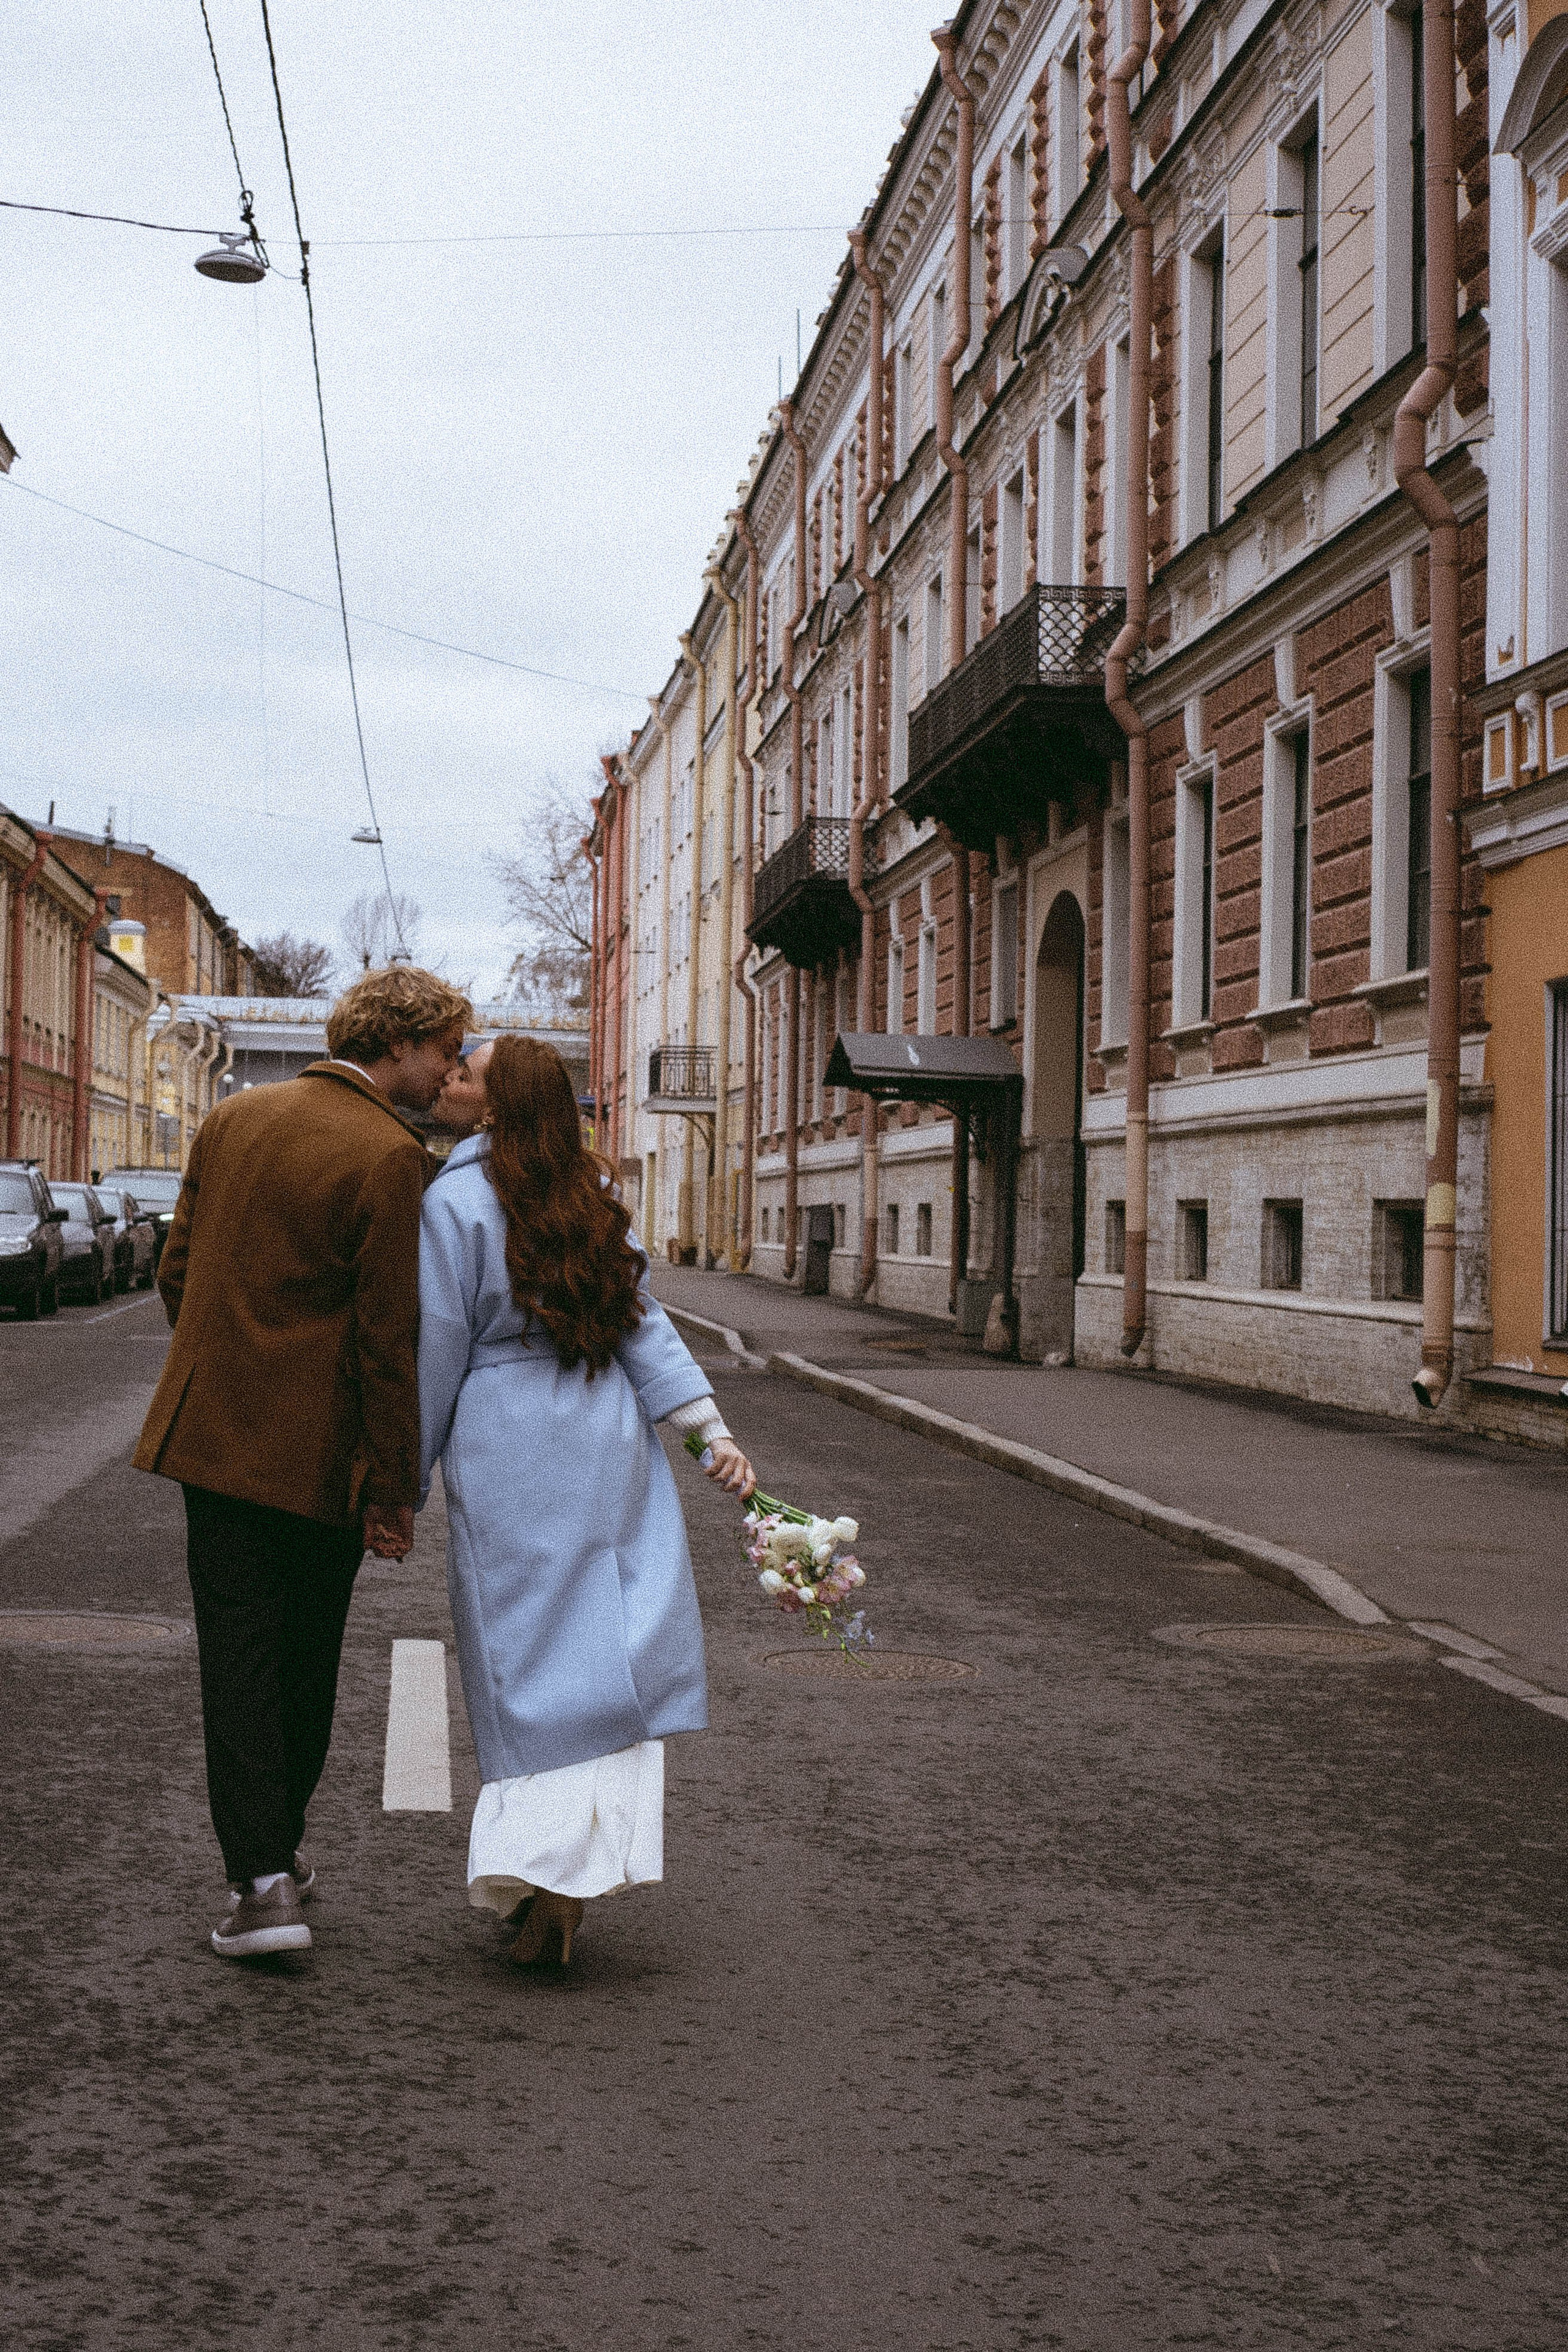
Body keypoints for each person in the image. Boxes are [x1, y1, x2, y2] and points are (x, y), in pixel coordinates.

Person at [135, 965, 474, 1960]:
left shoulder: (233, 1122)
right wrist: (395, 1487)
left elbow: (177, 1272)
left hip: (211, 1439)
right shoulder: (389, 1156)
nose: (449, 1072)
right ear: (399, 1044)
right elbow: (387, 1342)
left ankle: (264, 1877)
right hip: (320, 1459)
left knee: (236, 1656)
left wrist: (229, 1367)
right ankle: (273, 1864)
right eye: (445, 1052)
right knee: (304, 1654)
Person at [417, 1033, 753, 1967]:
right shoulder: (597, 1195)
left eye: (466, 1074)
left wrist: (399, 1480)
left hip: (506, 1438)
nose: (448, 1080)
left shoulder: (452, 1198)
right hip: (606, 1429)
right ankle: (574, 1875)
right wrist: (708, 1432)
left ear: (494, 1108)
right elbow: (643, 1321)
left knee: (520, 1657)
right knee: (610, 1642)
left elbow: (439, 1344)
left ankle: (541, 1871)